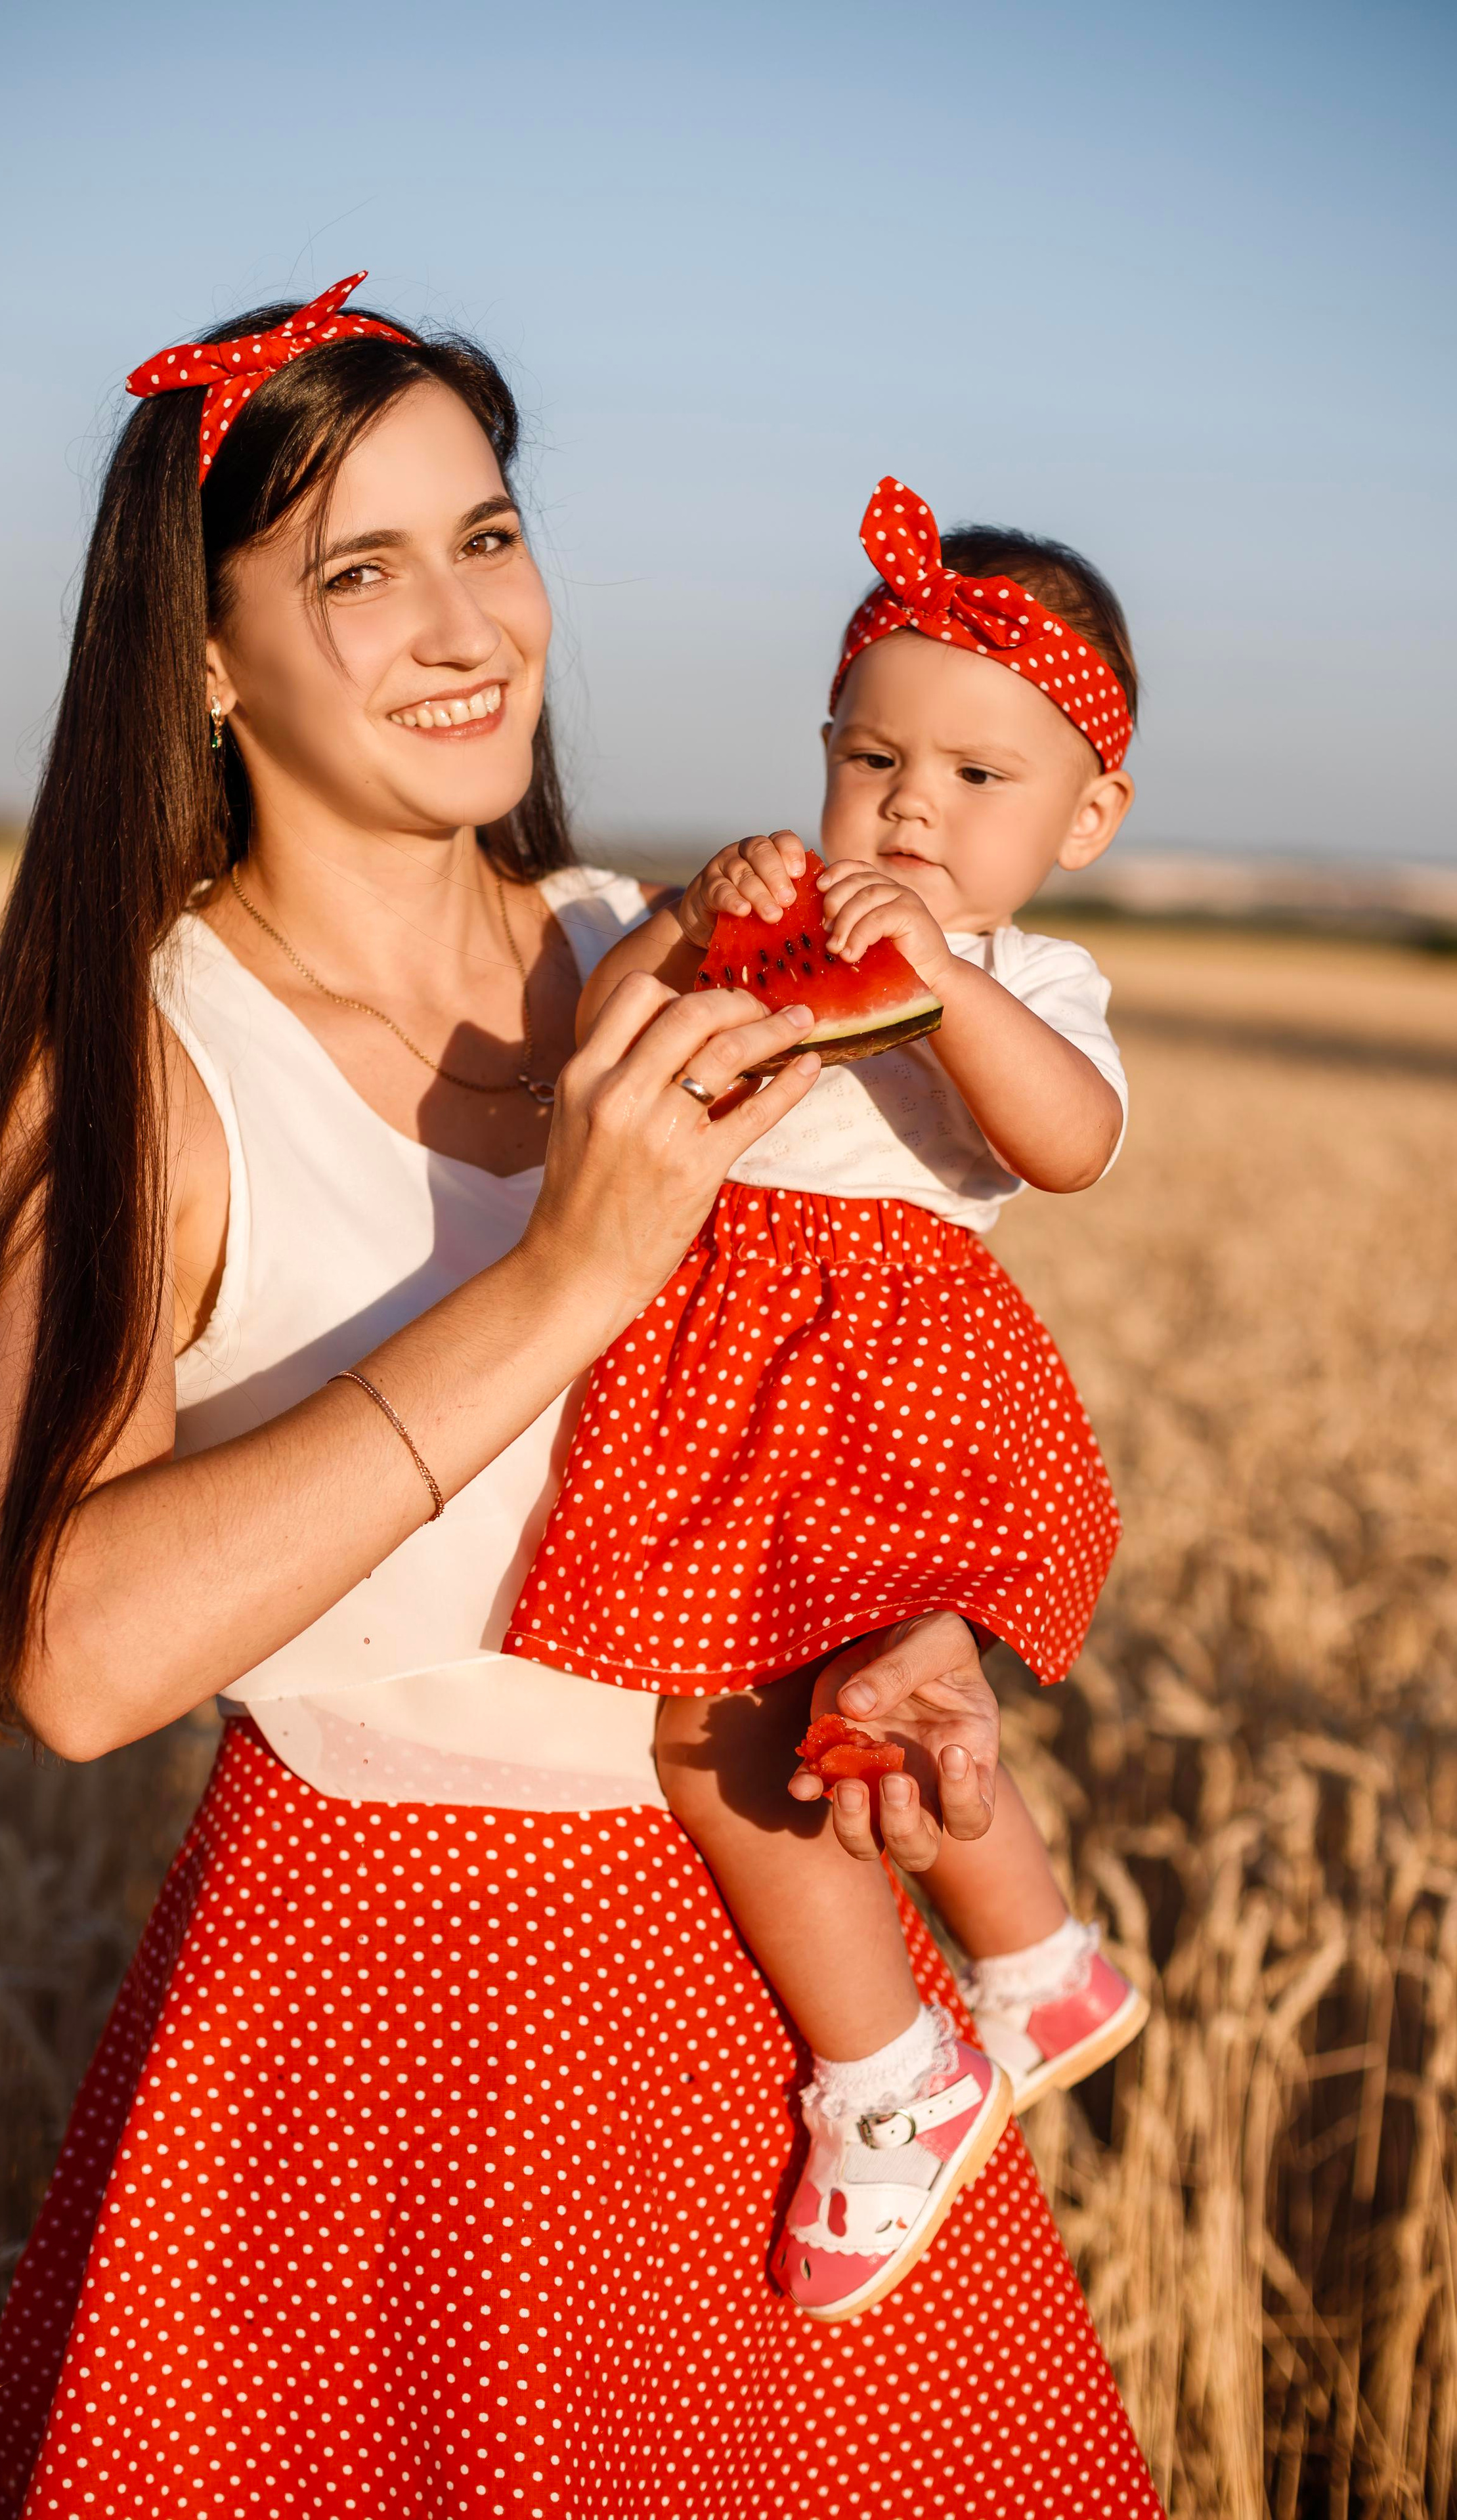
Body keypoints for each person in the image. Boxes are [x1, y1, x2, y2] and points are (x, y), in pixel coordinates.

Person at [0, 280, 1163, 2515]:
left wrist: (920, 1641)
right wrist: (566, 1278)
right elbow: (66, 1660)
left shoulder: (671, 952)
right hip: (383, 2038)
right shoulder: (151, 1064)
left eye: (487, 536)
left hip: (805, 2045)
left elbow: (870, 1373)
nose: (465, 624)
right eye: (361, 569)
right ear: (201, 659)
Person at [505, 473, 1150, 2320]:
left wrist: (939, 982)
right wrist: (685, 932)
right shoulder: (761, 921)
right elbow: (597, 1048)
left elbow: (1072, 1141)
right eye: (874, 760)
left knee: (725, 1739)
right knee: (872, 1715)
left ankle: (891, 2077)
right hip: (733, 1382)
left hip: (896, 1384)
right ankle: (1041, 1968)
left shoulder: (1029, 973)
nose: (909, 809)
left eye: (976, 775)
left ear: (1087, 818)